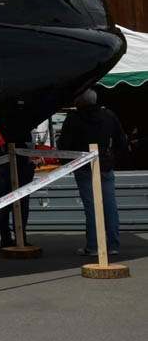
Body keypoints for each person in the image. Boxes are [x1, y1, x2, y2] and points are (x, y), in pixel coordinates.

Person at [60, 88, 128, 257]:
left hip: (83, 165)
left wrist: (68, 164)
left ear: (80, 102)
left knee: (91, 207)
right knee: (110, 206)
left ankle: (93, 246)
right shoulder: (109, 115)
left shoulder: (73, 118)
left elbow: (64, 145)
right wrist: (112, 159)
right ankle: (113, 244)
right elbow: (121, 141)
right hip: (105, 164)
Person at [0, 136, 35, 250]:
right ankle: (19, 237)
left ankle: (5, 237)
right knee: (19, 204)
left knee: (3, 204)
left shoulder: (2, 130)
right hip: (20, 165)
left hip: (6, 164)